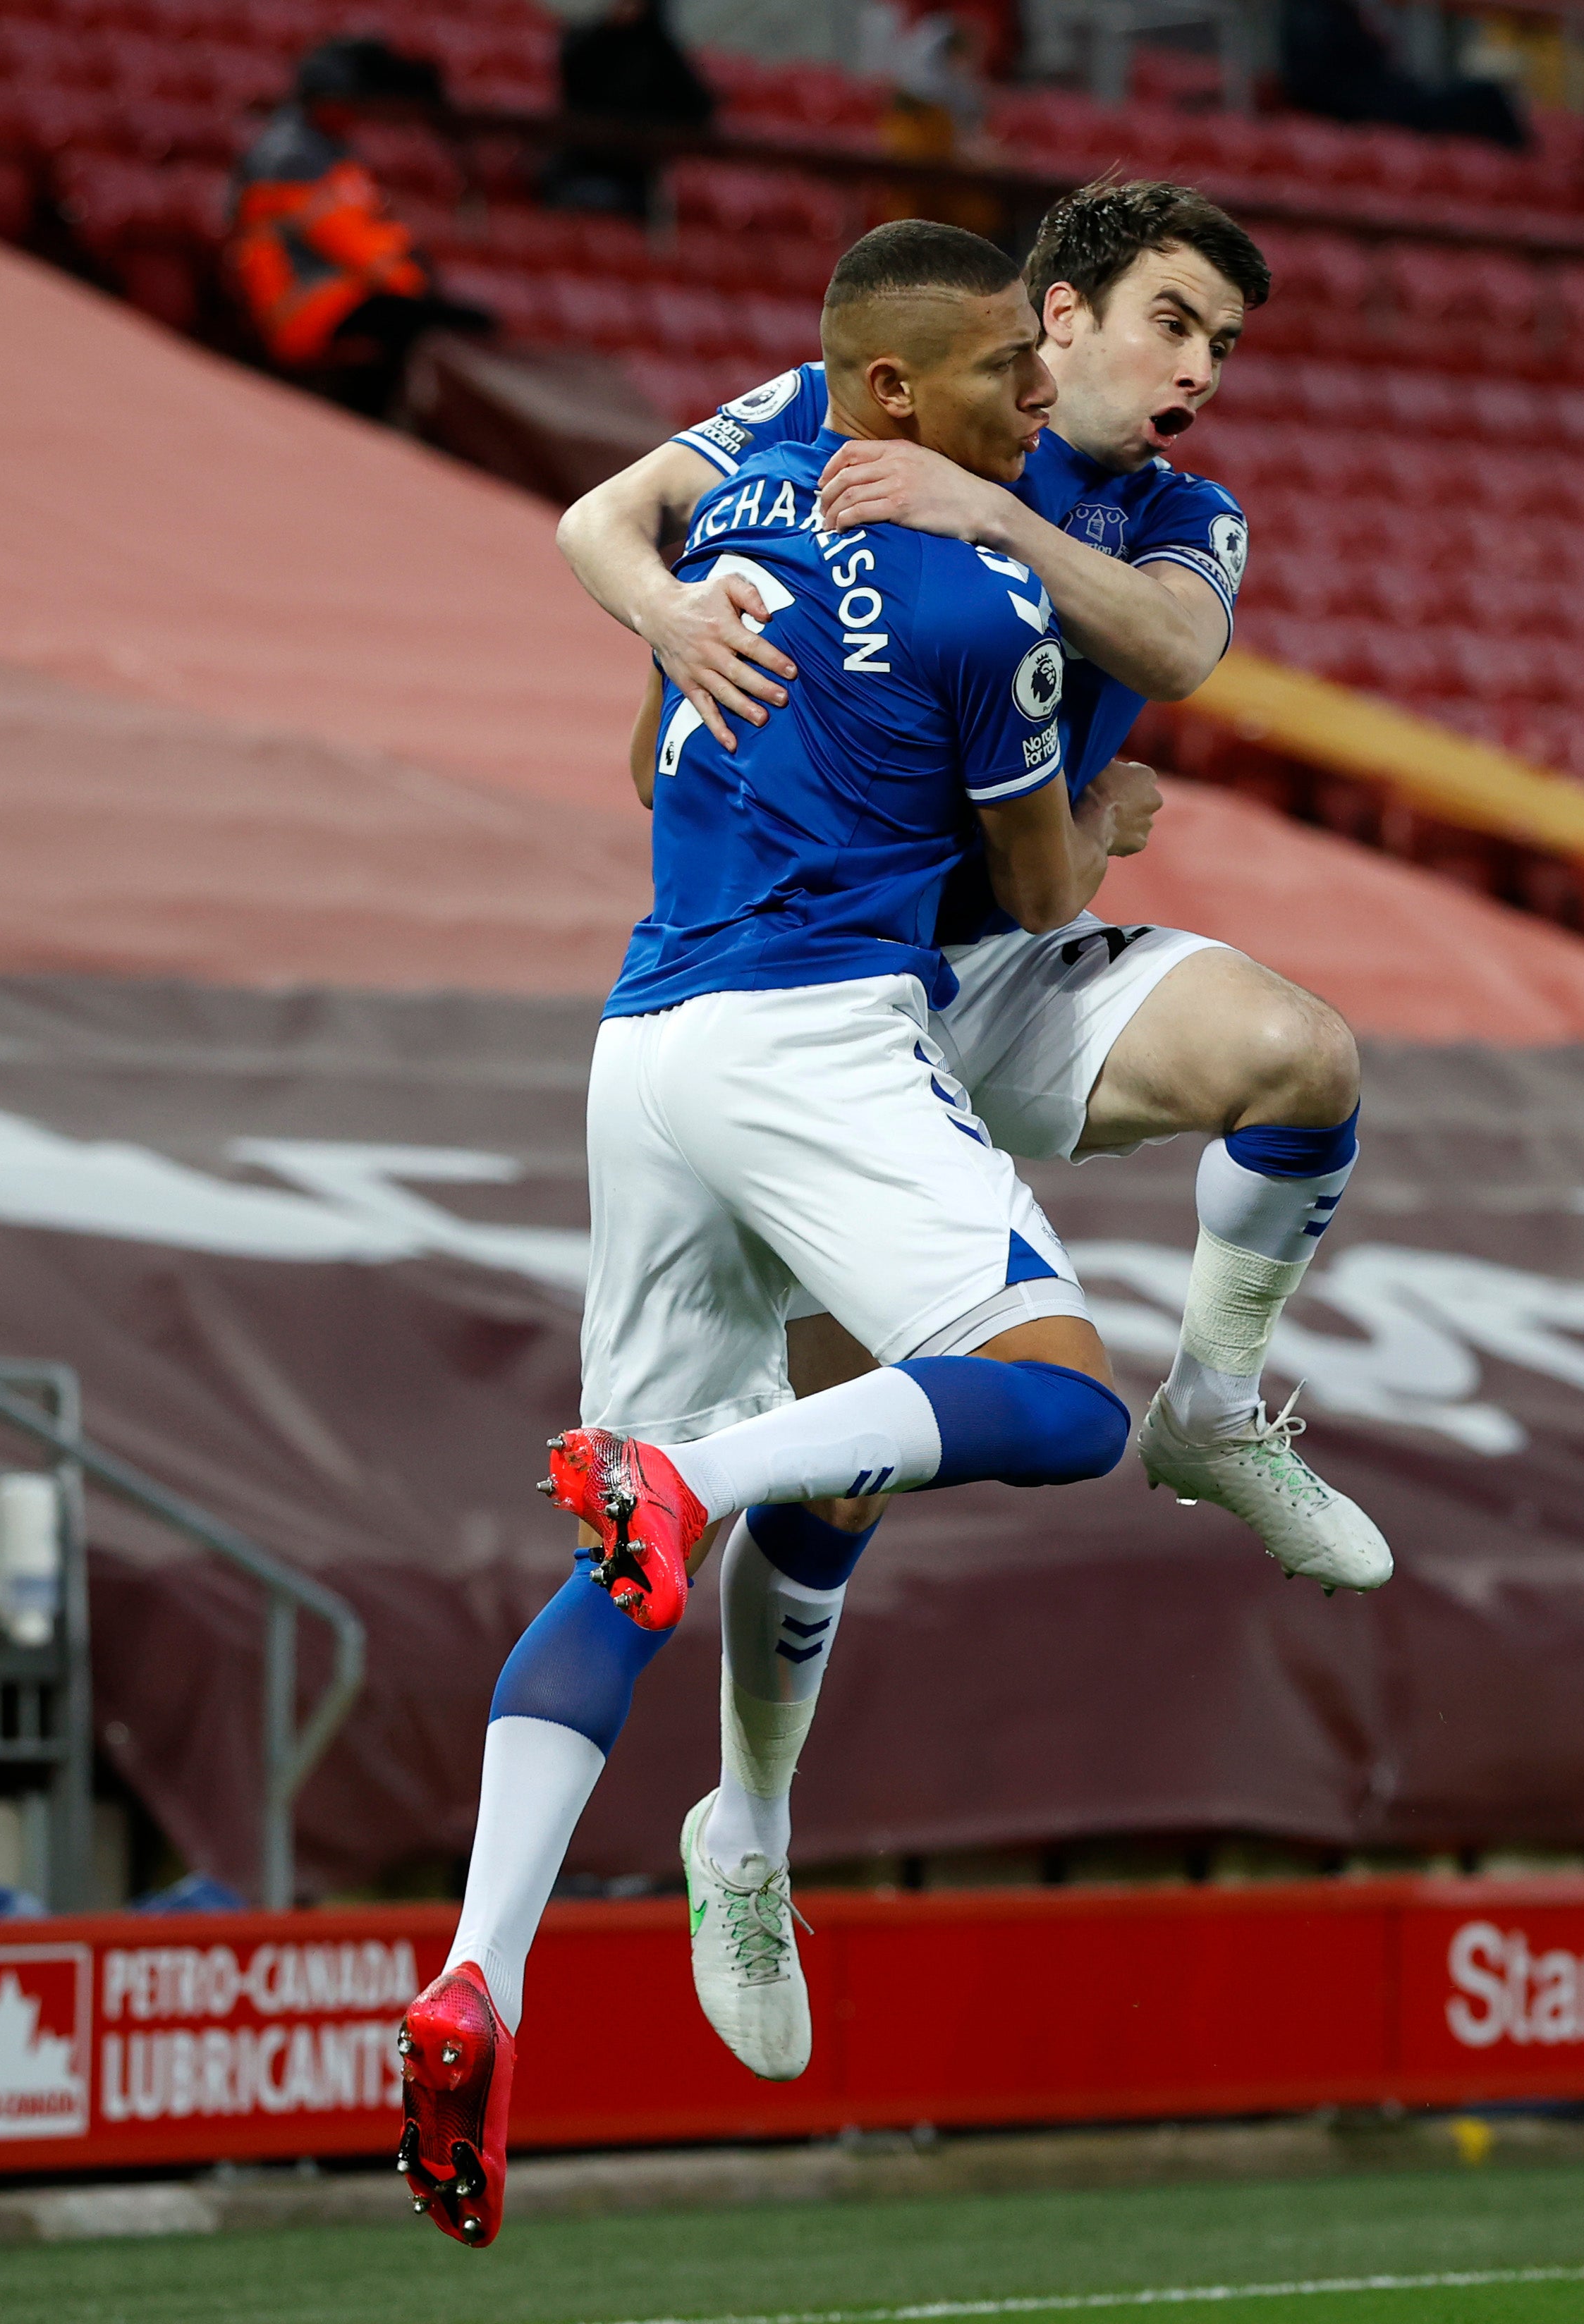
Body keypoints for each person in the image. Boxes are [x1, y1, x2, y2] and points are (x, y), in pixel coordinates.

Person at [397, 221, 1149, 2250]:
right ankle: (700, 1476)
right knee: (1068, 1407)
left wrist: (652, 618)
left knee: (635, 1576)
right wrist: (1105, 821)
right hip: (819, 1041)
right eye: (1000, 367)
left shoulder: (727, 480)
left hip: (639, 1054)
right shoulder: (982, 596)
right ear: (890, 396)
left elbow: (598, 539)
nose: (1028, 396)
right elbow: (1023, 897)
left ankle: (481, 1973)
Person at [559, 179, 1389, 1596]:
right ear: (1061, 316)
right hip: (817, 988)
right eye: (1173, 321)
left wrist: (986, 515)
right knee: (834, 1476)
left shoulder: (1179, 510)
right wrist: (667, 612)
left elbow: (1180, 649)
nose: (1197, 368)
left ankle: (1212, 1413)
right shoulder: (833, 407)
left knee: (1302, 1058)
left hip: (1002, 957)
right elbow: (603, 517)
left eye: (1225, 345)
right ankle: (753, 1812)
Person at [226, 40, 474, 414]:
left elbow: (373, 227)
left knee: (452, 319)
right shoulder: (287, 155)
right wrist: (411, 281)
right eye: (345, 102)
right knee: (426, 322)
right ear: (321, 101)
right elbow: (347, 238)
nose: (352, 113)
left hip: (341, 295)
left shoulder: (333, 150)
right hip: (306, 307)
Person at [540, 0, 714, 216]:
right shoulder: (590, 41)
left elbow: (699, 107)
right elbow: (571, 74)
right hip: (578, 167)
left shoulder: (659, 54)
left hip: (631, 180)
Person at [1275, 0, 1526, 149]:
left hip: (1390, 98)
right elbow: (1313, 84)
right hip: (1375, 107)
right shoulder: (1314, 12)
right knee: (1486, 97)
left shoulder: (1340, 10)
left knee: (1486, 97)